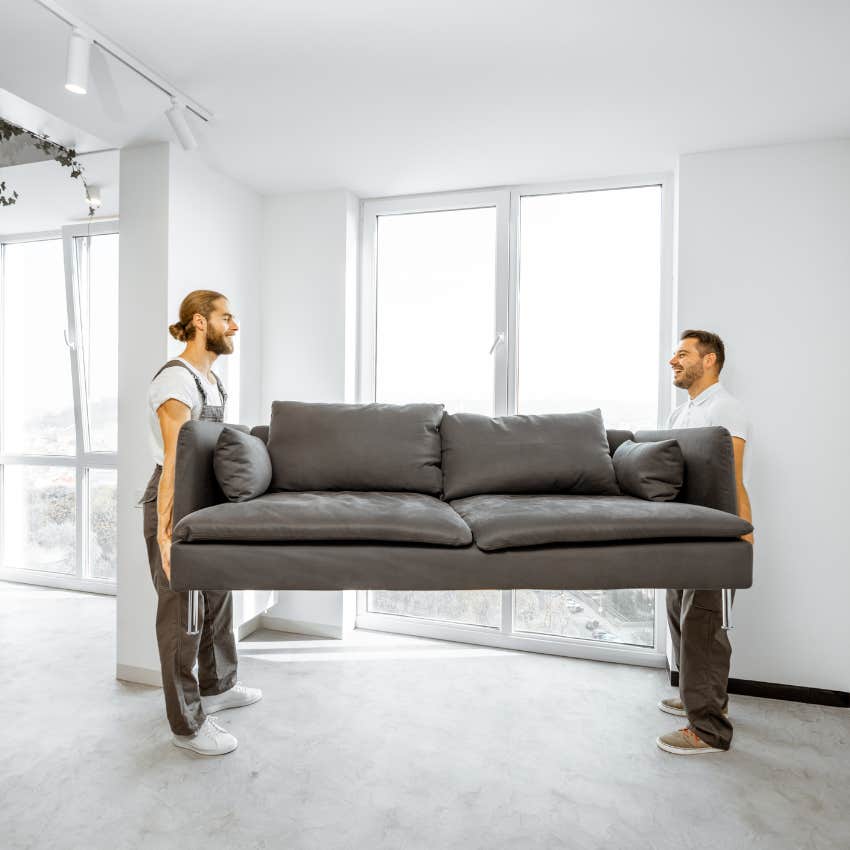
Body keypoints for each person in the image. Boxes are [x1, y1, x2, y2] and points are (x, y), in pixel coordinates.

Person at [140, 289, 261, 756]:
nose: (233, 326)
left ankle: (219, 685)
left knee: (217, 599)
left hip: (205, 504)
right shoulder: (176, 381)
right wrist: (168, 530)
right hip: (175, 502)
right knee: (180, 615)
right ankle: (186, 725)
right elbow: (173, 463)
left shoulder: (210, 379)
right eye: (225, 317)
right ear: (198, 322)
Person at [656, 329, 752, 756]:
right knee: (679, 613)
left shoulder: (726, 409)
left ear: (709, 360)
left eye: (682, 354)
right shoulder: (682, 414)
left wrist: (740, 536)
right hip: (683, 531)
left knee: (705, 626)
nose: (673, 361)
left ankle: (710, 729)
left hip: (715, 534)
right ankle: (699, 697)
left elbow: (732, 478)